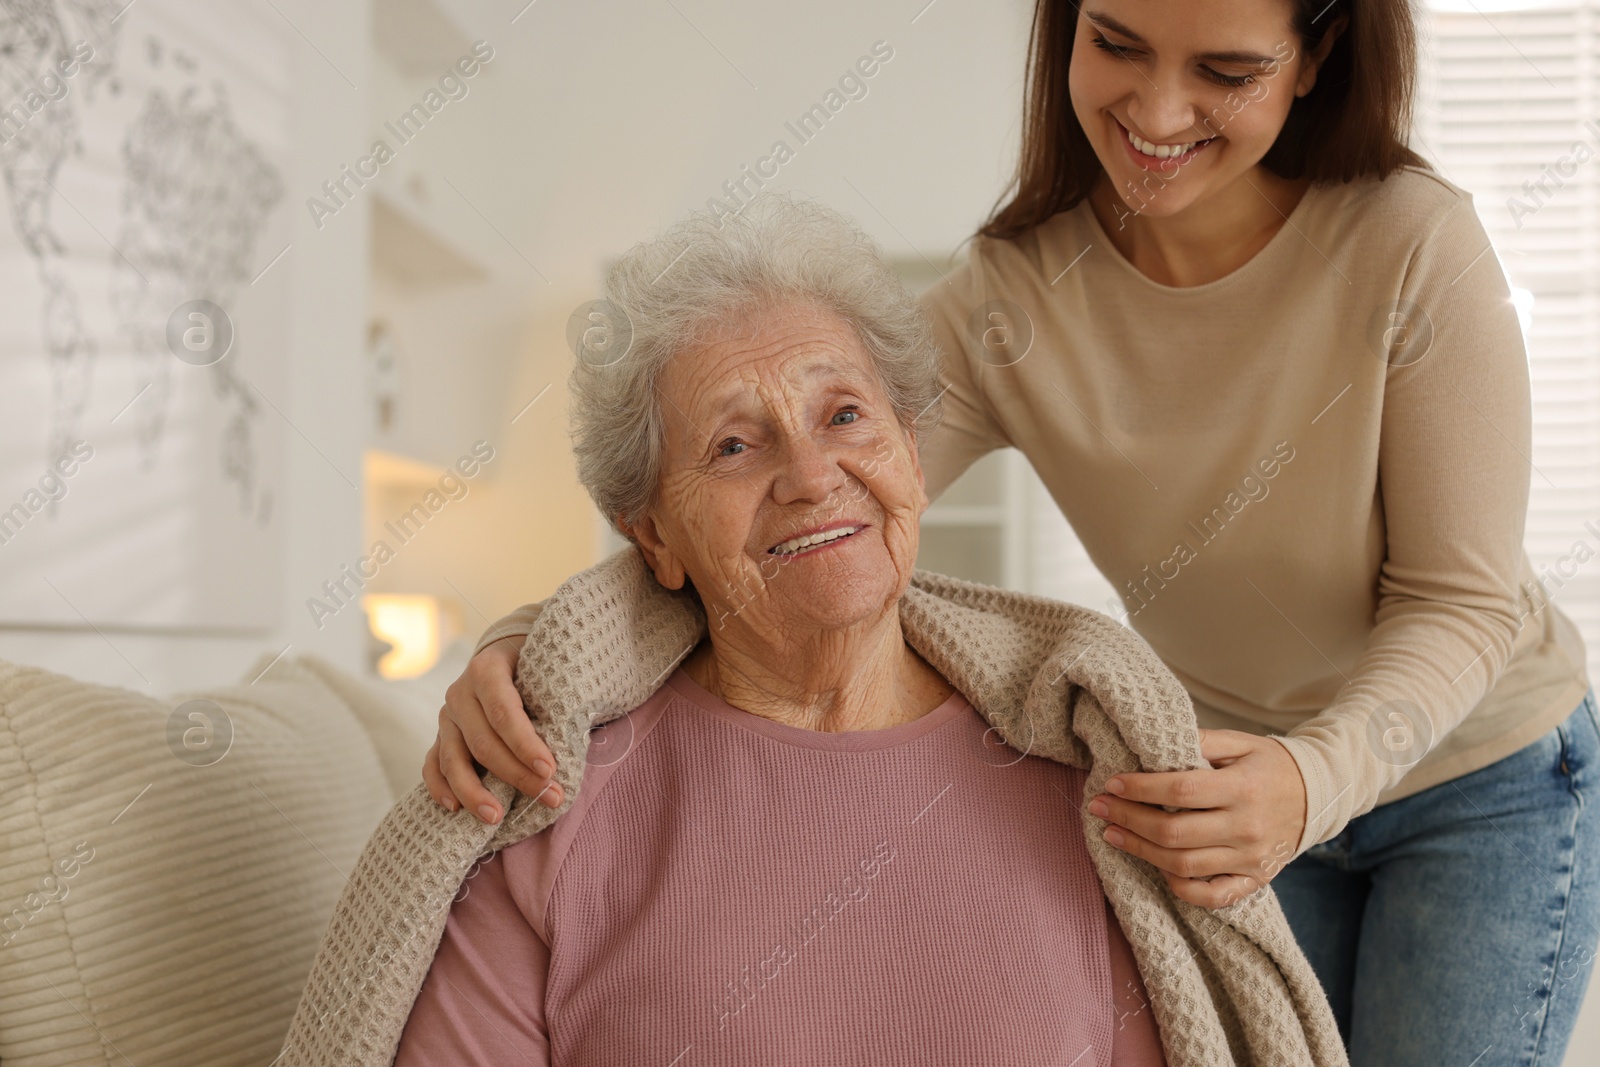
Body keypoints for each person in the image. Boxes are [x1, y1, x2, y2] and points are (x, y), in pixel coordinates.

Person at [422, 1, 1600, 1064]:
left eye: (1225, 70)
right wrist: (531, 651)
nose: (1155, 110)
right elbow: (794, 512)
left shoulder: (1410, 244)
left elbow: (1465, 599)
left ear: (1315, 57)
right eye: (1116, 45)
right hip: (1231, 777)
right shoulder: (1015, 297)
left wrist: (1315, 779)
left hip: (1474, 773)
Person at [392, 193, 1171, 1064]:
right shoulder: (544, 809)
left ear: (912, 457)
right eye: (733, 445)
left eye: (842, 415)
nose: (809, 475)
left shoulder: (1088, 773)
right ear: (653, 535)